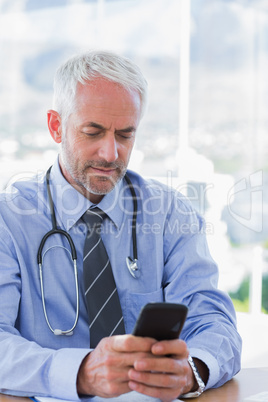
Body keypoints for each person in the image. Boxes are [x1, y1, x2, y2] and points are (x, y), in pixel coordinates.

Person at [0, 50, 241, 401]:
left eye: (125, 135)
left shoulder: (170, 213)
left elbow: (215, 323)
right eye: (93, 132)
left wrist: (191, 372)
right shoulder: (9, 220)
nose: (110, 153)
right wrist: (81, 374)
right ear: (55, 126)